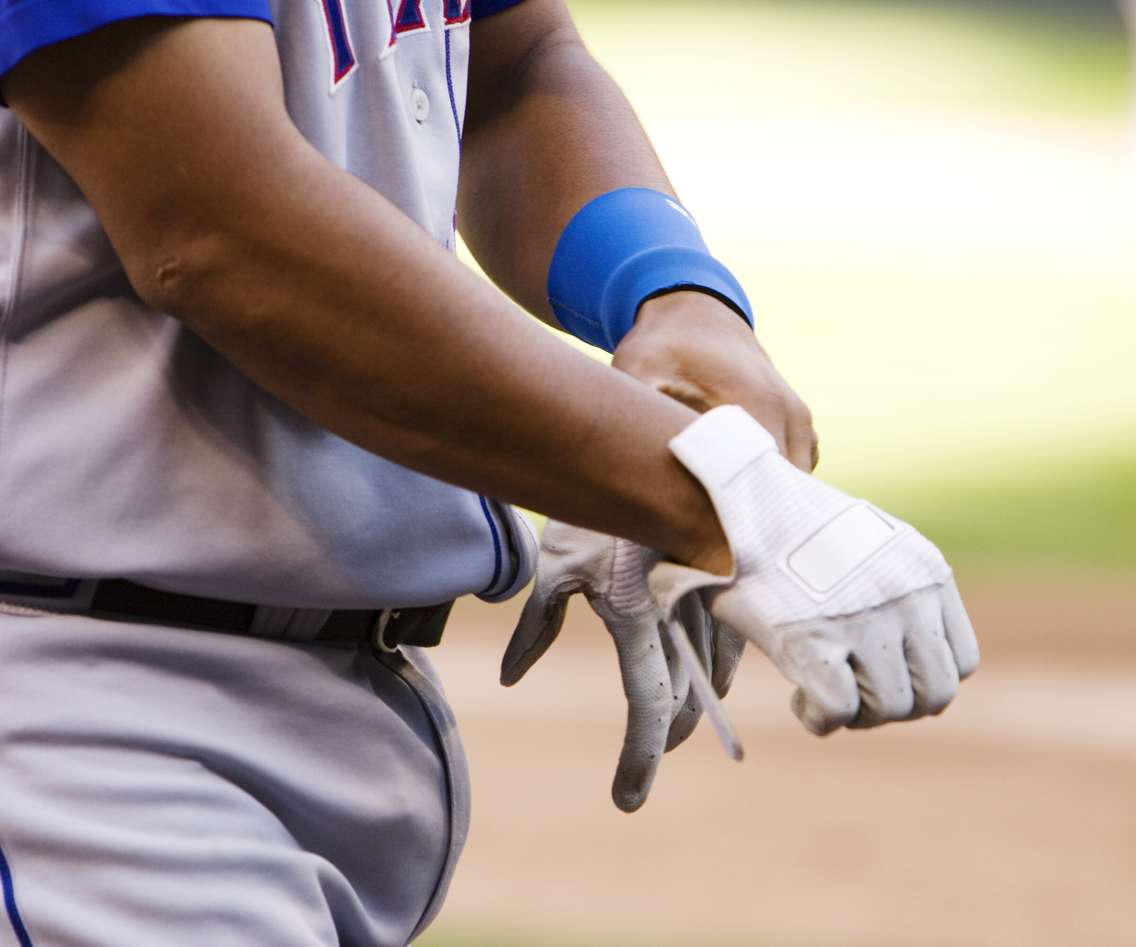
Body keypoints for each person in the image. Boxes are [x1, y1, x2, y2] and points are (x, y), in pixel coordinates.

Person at [0, 1, 979, 944]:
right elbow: (213, 228)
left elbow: (510, 68)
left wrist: (670, 292)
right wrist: (713, 494)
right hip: (79, 713)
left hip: (296, 706)